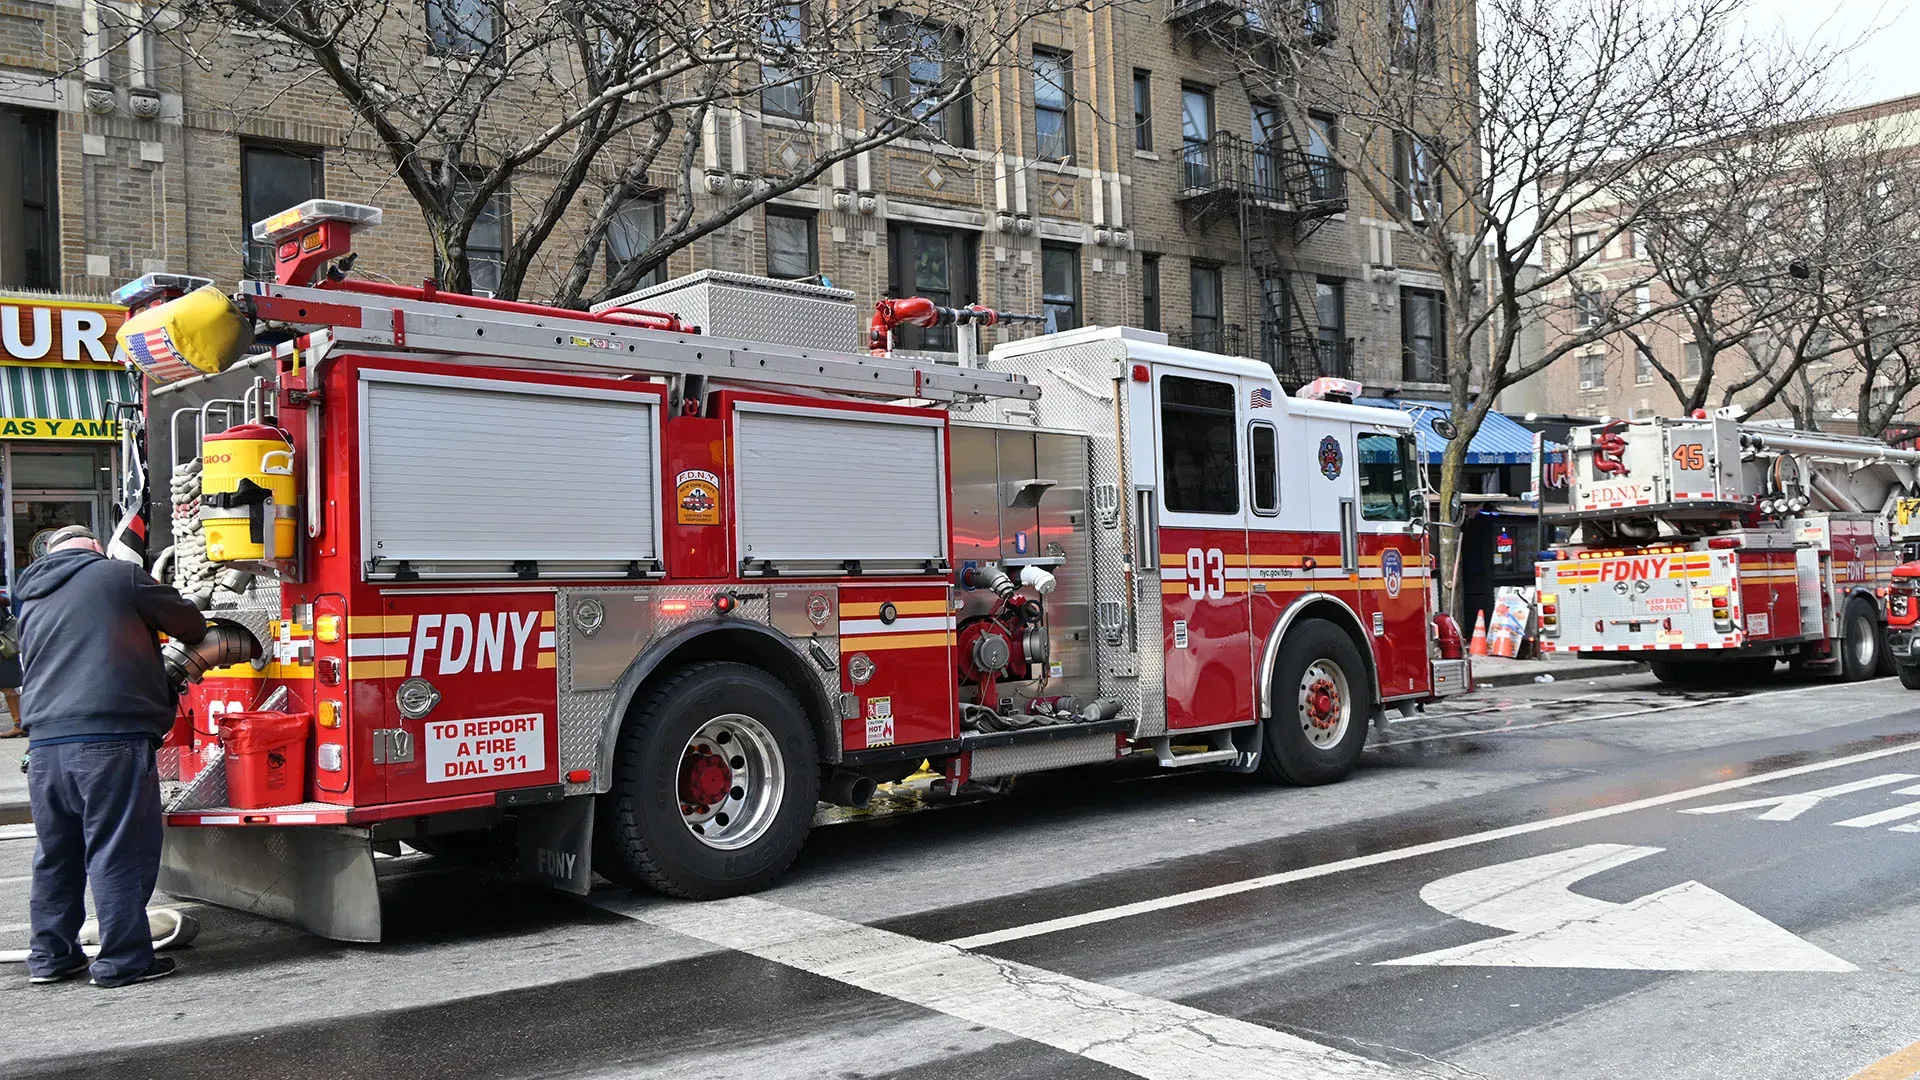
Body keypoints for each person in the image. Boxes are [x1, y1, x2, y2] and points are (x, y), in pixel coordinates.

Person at [14, 525, 206, 988]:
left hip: (43, 746)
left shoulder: (30, 596)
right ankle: (124, 962)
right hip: (108, 739)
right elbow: (190, 624)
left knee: (56, 856)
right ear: (96, 548)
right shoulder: (119, 576)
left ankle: (52, 958)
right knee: (118, 850)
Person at [0, 589, 23, 738]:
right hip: (5, 653)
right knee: (8, 688)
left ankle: (20, 724)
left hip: (4, 653)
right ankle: (20, 723)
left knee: (8, 688)